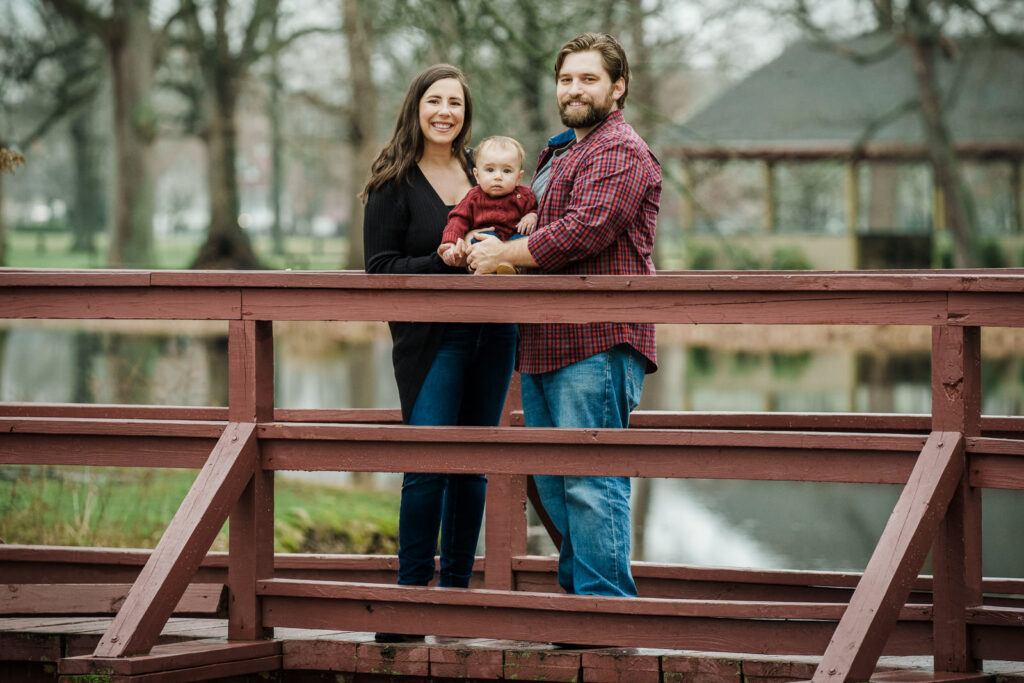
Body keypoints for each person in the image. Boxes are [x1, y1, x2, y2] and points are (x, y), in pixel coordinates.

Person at [468, 33, 661, 598]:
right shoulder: (560, 152)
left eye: (588, 79)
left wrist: (502, 255)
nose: (574, 89)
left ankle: (603, 613)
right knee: (553, 482)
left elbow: (585, 230)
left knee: (592, 480)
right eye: (566, 79)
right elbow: (535, 225)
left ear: (617, 87)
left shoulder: (620, 149)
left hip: (598, 340)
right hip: (543, 340)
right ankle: (581, 608)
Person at [362, 64, 518, 640]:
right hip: (431, 340)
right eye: (434, 101)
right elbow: (378, 270)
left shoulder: (485, 172)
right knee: (427, 464)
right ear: (416, 108)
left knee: (472, 468)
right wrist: (441, 262)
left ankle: (455, 601)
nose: (445, 112)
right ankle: (409, 605)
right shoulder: (392, 183)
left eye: (455, 102)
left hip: (494, 333)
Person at [437, 135, 538, 274]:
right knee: (479, 239)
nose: (498, 176)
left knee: (525, 239)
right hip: (485, 242)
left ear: (518, 178)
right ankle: (484, 269)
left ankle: (511, 267)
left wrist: (532, 215)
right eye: (490, 170)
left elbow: (537, 210)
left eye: (507, 171)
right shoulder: (473, 197)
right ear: (477, 175)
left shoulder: (524, 195)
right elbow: (457, 220)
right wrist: (450, 243)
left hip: (512, 245)